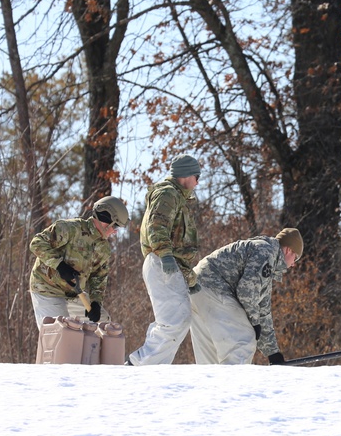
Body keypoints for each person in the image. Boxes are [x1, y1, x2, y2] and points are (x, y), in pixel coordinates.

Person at [125, 154, 202, 365]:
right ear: (187, 176)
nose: (198, 182)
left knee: (178, 319)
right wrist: (166, 255)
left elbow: (179, 244)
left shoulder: (177, 197)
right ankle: (142, 365)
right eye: (197, 176)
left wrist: (189, 277)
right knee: (174, 321)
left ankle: (148, 365)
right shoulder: (168, 194)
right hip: (161, 261)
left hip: (167, 262)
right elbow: (157, 225)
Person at [188, 228, 303, 366]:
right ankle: (235, 385)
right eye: (295, 258)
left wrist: (273, 353)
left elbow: (263, 313)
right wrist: (254, 323)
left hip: (195, 289)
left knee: (210, 359)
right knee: (244, 339)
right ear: (288, 250)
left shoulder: (265, 261)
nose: (294, 264)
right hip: (214, 287)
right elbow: (246, 291)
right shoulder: (266, 251)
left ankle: (211, 386)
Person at [28, 196, 129, 329]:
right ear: (106, 221)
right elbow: (37, 243)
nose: (115, 231)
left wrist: (96, 304)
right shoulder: (69, 229)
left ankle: (88, 349)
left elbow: (99, 278)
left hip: (73, 293)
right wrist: (60, 265)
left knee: (103, 324)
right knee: (59, 332)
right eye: (115, 226)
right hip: (47, 290)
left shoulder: (103, 249)